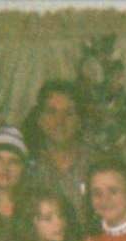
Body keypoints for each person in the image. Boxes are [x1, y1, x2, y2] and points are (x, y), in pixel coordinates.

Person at [23, 80, 94, 224]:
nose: (60, 121)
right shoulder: (26, 166)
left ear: (79, 121)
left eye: (69, 113)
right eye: (51, 112)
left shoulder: (98, 163)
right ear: (40, 119)